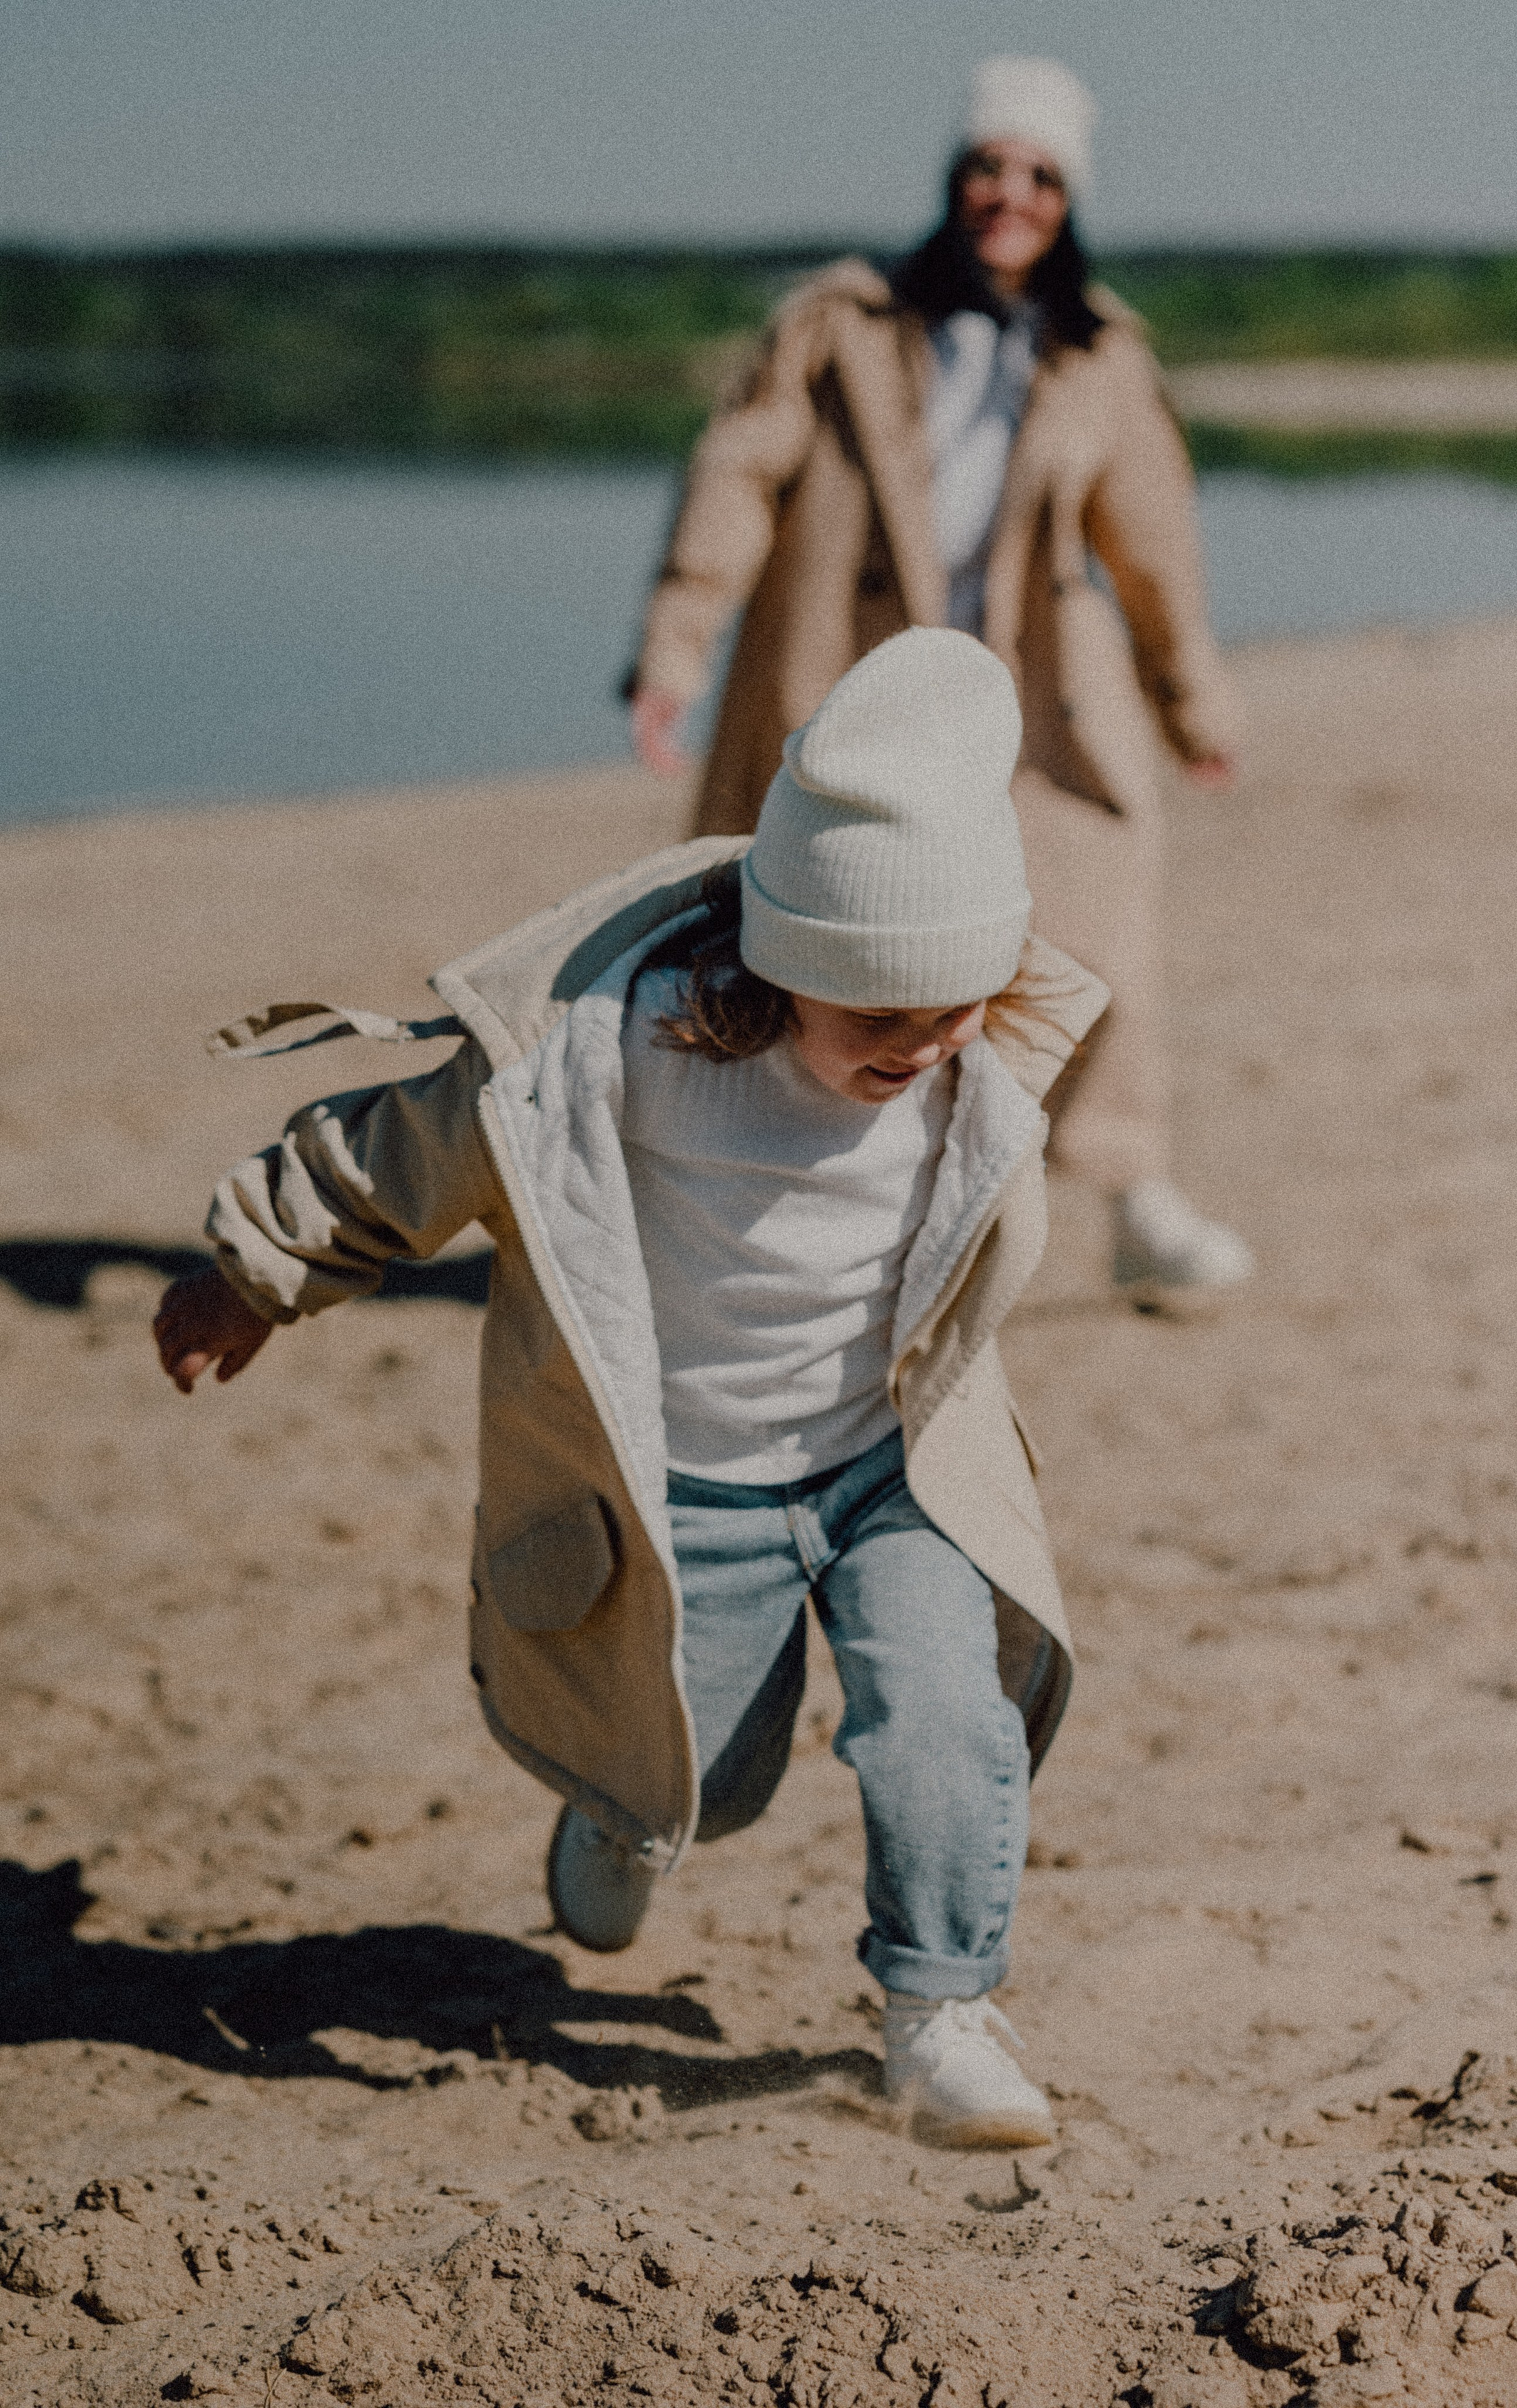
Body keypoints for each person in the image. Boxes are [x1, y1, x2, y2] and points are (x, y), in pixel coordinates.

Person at [154, 629, 1108, 2147]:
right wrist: (257, 1269)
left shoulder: (965, 1061)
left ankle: (938, 2013)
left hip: (894, 1465)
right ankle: (616, 1814)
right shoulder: (623, 1054)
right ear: (786, 966)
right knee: (698, 1782)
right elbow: (407, 1150)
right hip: (690, 1488)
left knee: (944, 1717)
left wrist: (948, 1036)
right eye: (880, 1013)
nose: (924, 1044)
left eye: (955, 1004)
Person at [626, 55, 1251, 1306]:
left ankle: (1131, 1193)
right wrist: (674, 648)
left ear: (1067, 199)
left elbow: (1154, 546)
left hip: (1032, 704)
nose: (1008, 195)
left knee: (1095, 928)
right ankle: (740, 1211)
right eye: (986, 167)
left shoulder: (1101, 352)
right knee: (806, 948)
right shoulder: (837, 323)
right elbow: (736, 477)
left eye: (1037, 176)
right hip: (842, 691)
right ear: (953, 177)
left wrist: (1190, 704)